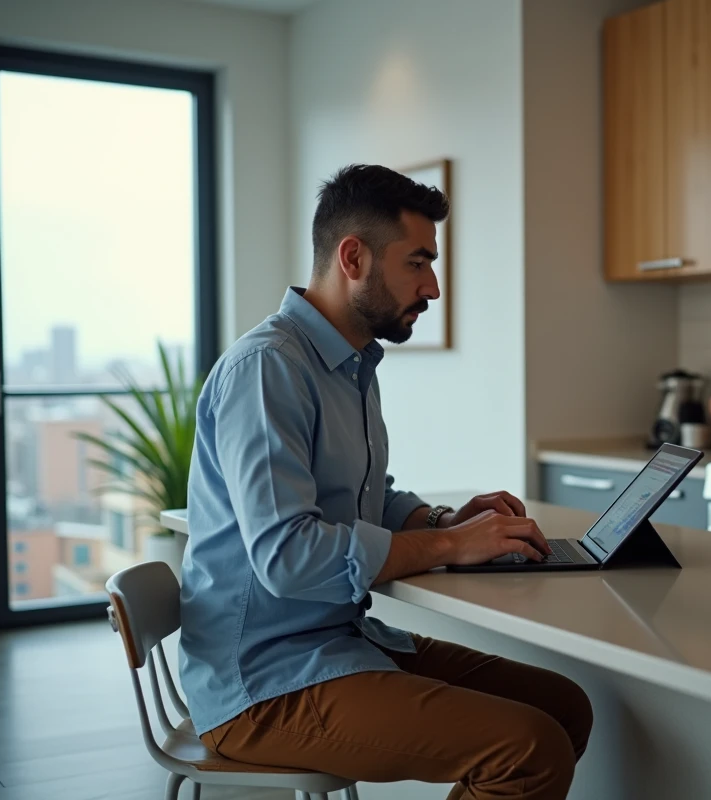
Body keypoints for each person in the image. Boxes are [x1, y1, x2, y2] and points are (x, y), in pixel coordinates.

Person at [179, 164, 593, 800]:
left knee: (564, 707)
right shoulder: (268, 369)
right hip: (263, 682)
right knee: (529, 750)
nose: (432, 287)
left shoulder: (350, 366)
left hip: (338, 641)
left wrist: (442, 522)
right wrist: (450, 548)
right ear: (353, 257)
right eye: (418, 263)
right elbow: (289, 558)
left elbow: (364, 500)